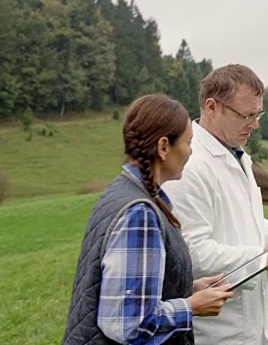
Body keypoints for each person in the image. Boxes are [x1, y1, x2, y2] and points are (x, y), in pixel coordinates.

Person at [62, 94, 235, 345]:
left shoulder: (121, 193)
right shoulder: (139, 213)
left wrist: (186, 288)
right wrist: (190, 306)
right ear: (164, 147)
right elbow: (129, 324)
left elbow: (126, 291)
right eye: (188, 142)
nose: (190, 152)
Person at [162, 64, 268, 345]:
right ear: (212, 107)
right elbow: (190, 253)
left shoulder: (238, 155)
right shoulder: (189, 166)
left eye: (258, 114)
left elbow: (244, 218)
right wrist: (264, 257)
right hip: (216, 332)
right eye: (247, 115)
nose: (255, 124)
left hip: (249, 325)